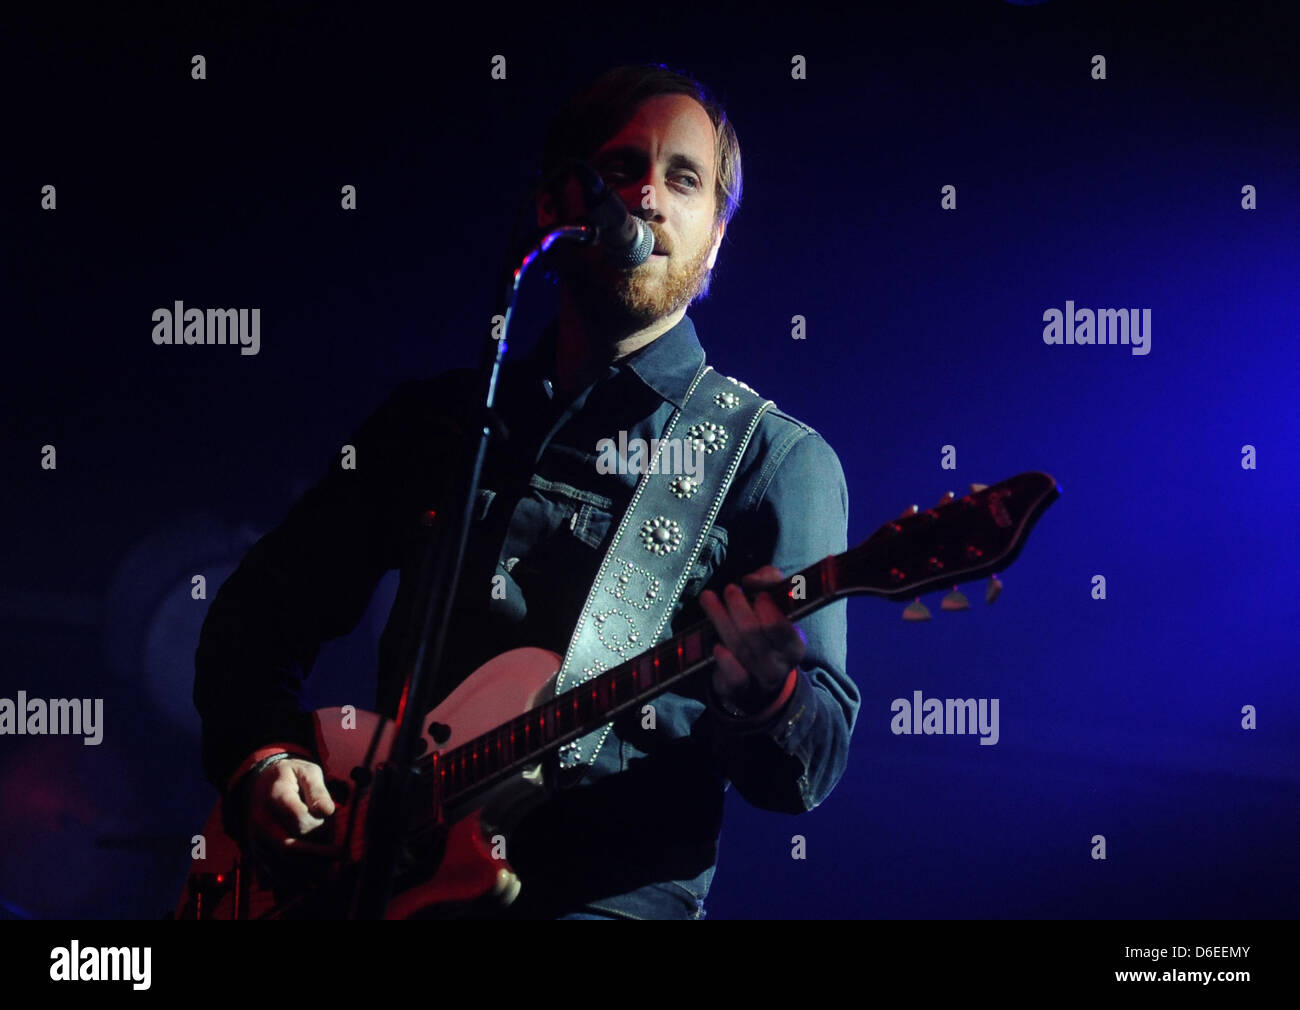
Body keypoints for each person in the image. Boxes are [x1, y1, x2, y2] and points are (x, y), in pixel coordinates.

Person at [194, 63, 859, 920]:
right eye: (621, 169)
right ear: (557, 206)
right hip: (365, 888)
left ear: (716, 238)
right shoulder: (440, 418)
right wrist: (260, 757)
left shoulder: (775, 460)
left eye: (683, 178)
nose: (648, 196)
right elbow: (259, 612)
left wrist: (770, 695)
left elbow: (811, 767)